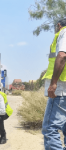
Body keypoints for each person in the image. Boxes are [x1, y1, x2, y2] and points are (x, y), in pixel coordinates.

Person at [42, 18, 66, 150]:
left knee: (50, 129)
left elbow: (62, 56)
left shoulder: (64, 32)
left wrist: (53, 83)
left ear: (58, 25)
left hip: (62, 89)